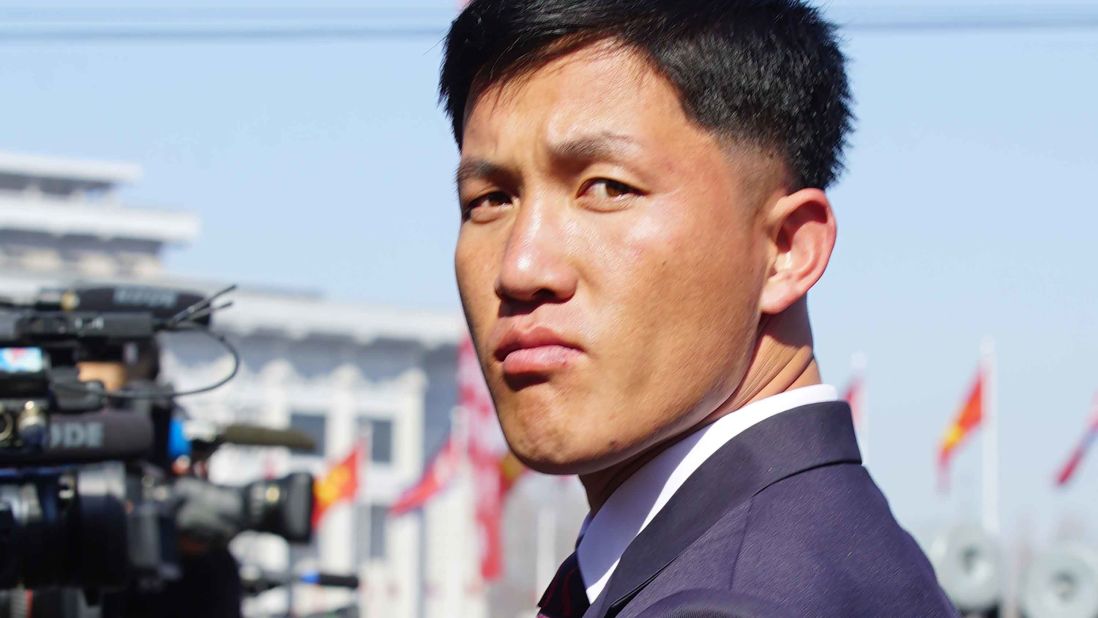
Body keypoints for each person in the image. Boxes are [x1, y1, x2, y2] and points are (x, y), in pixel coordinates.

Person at [440, 1, 956, 616]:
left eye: (607, 188)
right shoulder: (823, 545)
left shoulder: (733, 599)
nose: (520, 269)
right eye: (490, 199)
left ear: (787, 249)